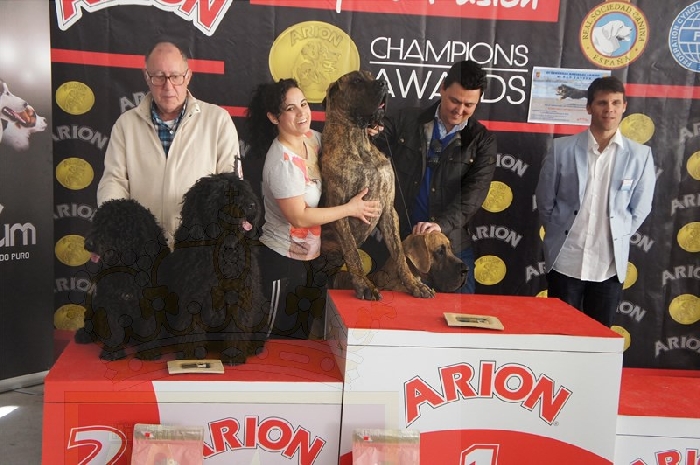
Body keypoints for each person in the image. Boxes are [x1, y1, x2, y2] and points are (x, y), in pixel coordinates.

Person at [245, 78, 381, 339]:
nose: (302, 113)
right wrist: (350, 208)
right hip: (281, 262)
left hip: (310, 262)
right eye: (290, 108)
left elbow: (343, 141)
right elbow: (299, 217)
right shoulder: (282, 161)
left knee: (300, 340)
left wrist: (365, 130)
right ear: (273, 117)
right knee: (274, 342)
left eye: (304, 104)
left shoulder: (313, 140)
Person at [535, 75, 656, 326]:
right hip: (565, 262)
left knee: (599, 339)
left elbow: (640, 208)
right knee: (559, 334)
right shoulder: (561, 150)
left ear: (624, 107)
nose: (609, 109)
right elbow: (545, 200)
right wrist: (556, 230)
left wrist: (619, 232)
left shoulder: (641, 156)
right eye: (602, 102)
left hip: (608, 267)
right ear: (589, 107)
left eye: (616, 102)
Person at [97, 40, 239, 247]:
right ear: (147, 77)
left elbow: (230, 185)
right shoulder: (126, 125)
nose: (168, 87)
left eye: (175, 76)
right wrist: (117, 226)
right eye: (159, 77)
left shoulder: (218, 120)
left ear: (188, 76)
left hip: (197, 249)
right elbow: (114, 181)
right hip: (141, 248)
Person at [373, 60, 497, 293]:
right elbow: (369, 145)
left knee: (459, 313)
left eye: (469, 105)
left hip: (452, 248)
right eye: (454, 101)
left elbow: (473, 195)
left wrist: (441, 225)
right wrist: (369, 131)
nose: (459, 110)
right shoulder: (405, 119)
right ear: (442, 88)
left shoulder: (482, 142)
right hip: (400, 244)